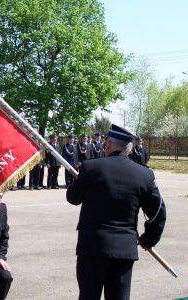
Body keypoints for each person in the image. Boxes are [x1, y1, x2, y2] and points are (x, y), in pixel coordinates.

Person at [66, 124, 166, 300]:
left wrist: (81, 178)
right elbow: (158, 213)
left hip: (93, 247)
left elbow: (73, 198)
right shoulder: (145, 174)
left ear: (108, 144)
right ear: (128, 148)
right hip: (124, 249)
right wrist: (148, 239)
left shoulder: (91, 167)